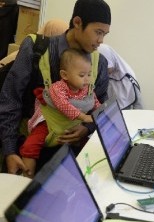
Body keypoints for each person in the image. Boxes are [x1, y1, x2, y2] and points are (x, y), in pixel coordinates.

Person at [0, 0, 111, 175]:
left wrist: (87, 128)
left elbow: (102, 106)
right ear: (77, 22)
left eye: (104, 34)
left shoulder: (99, 63)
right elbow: (10, 99)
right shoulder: (36, 49)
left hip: (69, 156)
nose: (100, 41)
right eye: (98, 32)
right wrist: (9, 151)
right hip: (28, 151)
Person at [20, 48, 101, 177]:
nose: (86, 80)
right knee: (30, 146)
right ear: (64, 75)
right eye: (81, 75)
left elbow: (94, 102)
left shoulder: (87, 88)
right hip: (49, 121)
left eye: (89, 74)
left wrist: (100, 113)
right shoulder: (57, 88)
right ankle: (26, 179)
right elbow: (63, 105)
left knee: (88, 148)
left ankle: (87, 176)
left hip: (71, 124)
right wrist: (84, 117)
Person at [98, 43, 143, 109]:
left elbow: (138, 104)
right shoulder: (104, 74)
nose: (104, 70)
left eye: (105, 66)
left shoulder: (128, 77)